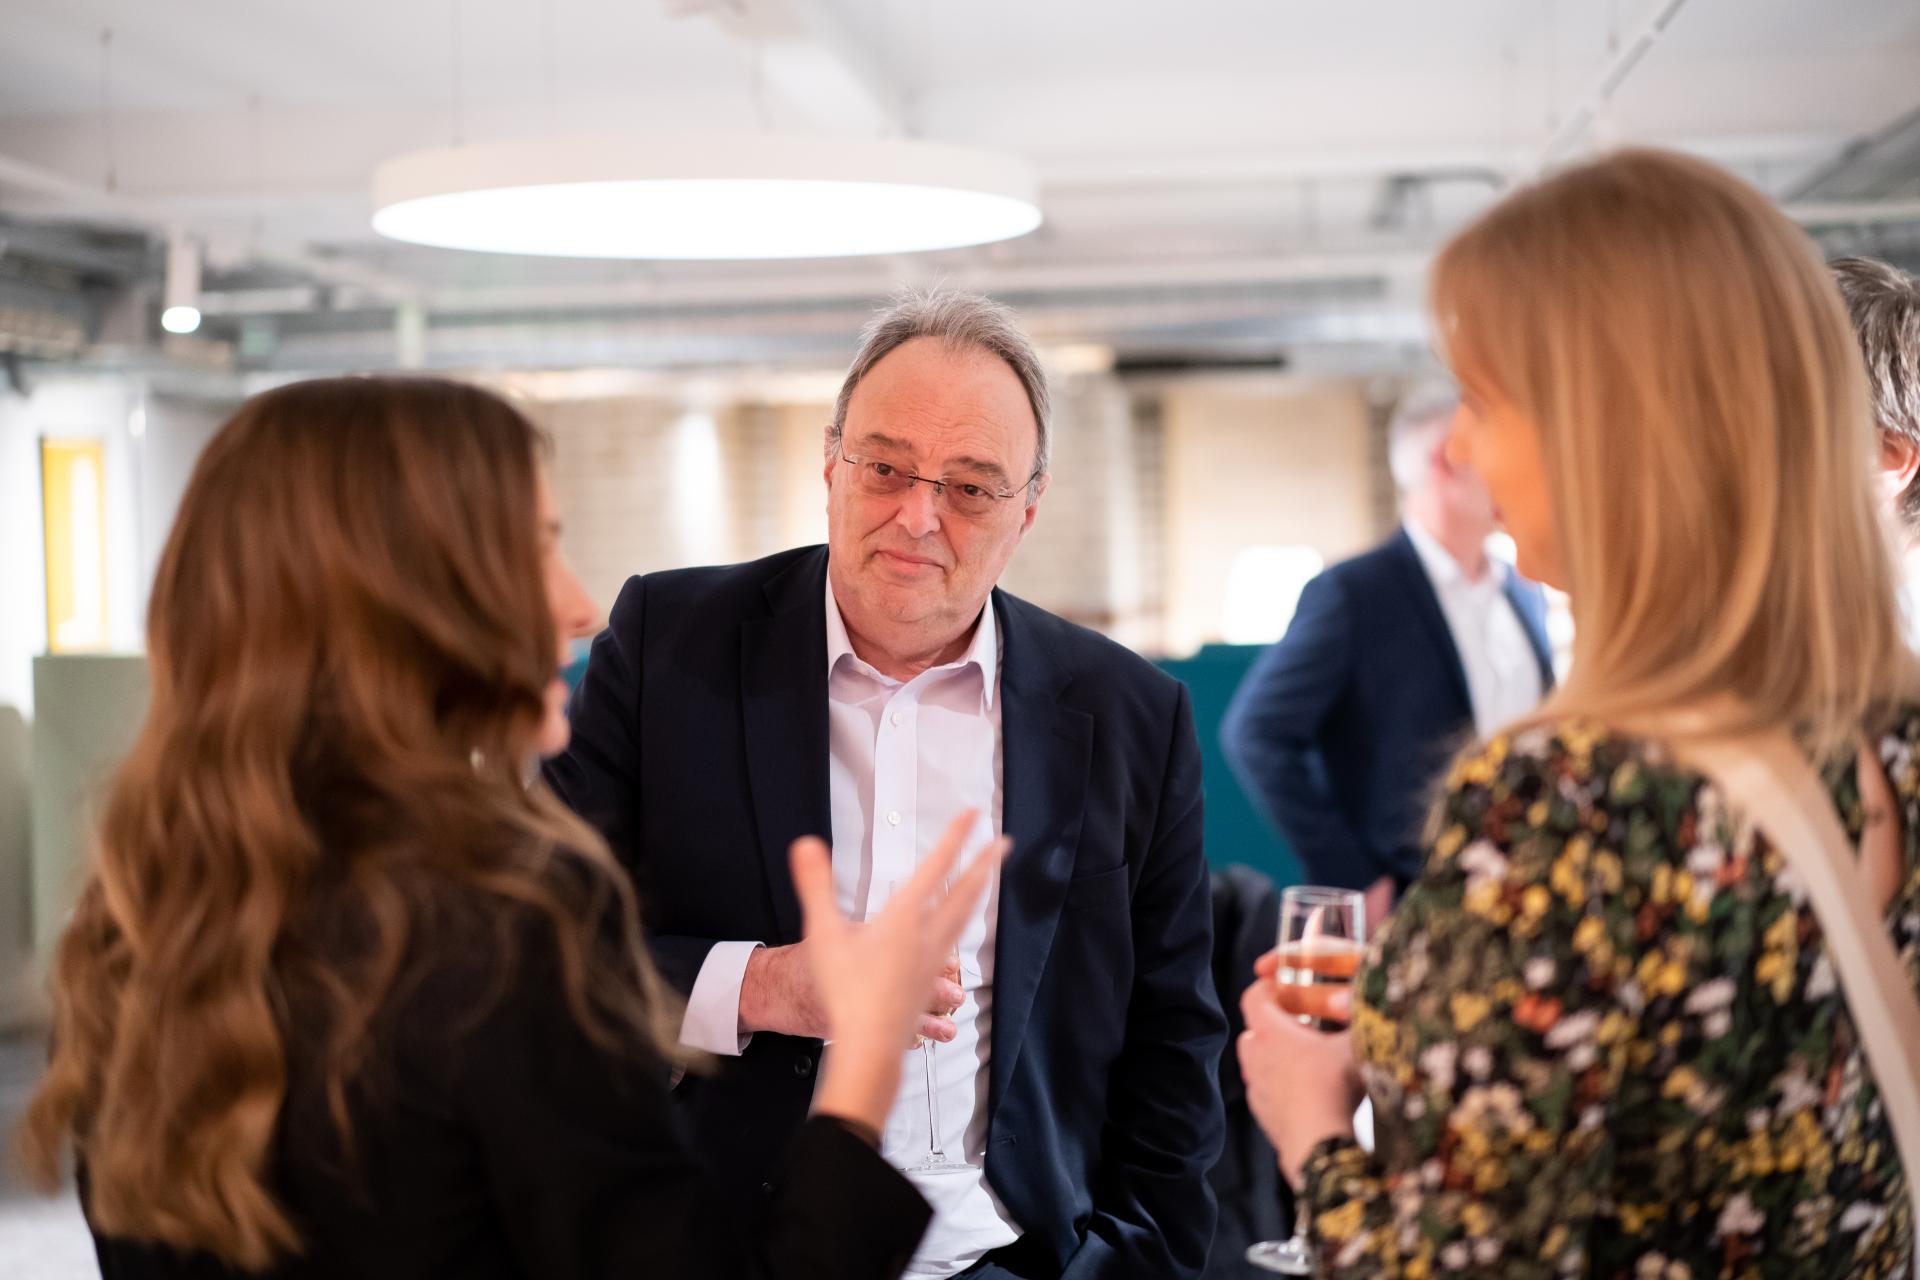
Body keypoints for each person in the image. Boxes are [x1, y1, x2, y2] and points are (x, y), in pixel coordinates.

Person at [18, 376, 999, 1279]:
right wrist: (866, 1060)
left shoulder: (133, 920)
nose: (577, 607)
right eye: (533, 547)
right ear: (406, 599)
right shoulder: (496, 929)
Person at [1237, 148, 1920, 1277]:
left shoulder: (1569, 795)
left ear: (1621, 426)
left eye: (1488, 396)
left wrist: (1314, 1124)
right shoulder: (1890, 738)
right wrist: (1440, 1008)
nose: (1459, 445)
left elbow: (1455, 1262)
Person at [545, 287, 1226, 1279]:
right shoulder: (667, 645)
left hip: (1010, 1254)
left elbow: (1172, 1038)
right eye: (886, 467)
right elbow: (542, 944)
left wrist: (1144, 1260)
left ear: (1027, 509)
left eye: (970, 486)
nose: (917, 514)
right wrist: (762, 984)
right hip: (722, 1246)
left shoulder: (1129, 710)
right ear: (831, 461)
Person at [1219, 384, 1554, 923]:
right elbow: (1255, 731)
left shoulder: (1522, 590)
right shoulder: (1356, 594)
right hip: (1419, 899)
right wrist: (1352, 874)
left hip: (1528, 887)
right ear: (1448, 459)